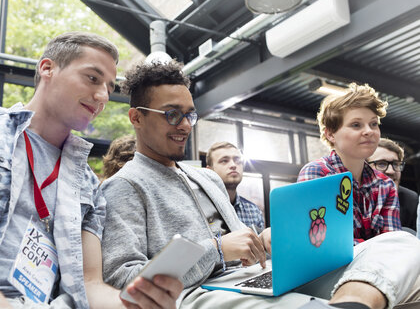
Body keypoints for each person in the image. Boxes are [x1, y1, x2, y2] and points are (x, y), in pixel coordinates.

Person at [100, 61, 420, 309]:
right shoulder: (125, 186)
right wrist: (217, 250)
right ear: (136, 117)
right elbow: (125, 279)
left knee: (402, 244)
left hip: (254, 277)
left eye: (189, 115)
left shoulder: (206, 177)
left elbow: (247, 245)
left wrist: (266, 239)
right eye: (171, 115)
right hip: (198, 293)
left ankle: (353, 302)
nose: (184, 125)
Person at [0, 32, 181, 309]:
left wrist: (133, 304)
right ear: (47, 68)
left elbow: (89, 284)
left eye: (109, 87)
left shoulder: (88, 185)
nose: (102, 96)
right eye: (93, 78)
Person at [298, 83, 401, 243]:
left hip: (380, 267)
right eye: (356, 125)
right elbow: (324, 242)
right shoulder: (316, 174)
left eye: (374, 124)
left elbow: (392, 245)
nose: (369, 131)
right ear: (331, 134)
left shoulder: (386, 186)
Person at [206, 141, 264, 230]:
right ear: (210, 171)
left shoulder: (253, 211)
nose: (233, 165)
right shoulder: (201, 208)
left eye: (237, 160)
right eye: (224, 161)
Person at [367, 138, 418, 232]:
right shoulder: (350, 197)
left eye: (396, 164)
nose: (391, 171)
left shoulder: (410, 200)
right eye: (381, 164)